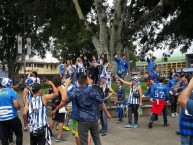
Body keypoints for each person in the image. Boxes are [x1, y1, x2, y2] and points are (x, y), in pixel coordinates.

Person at [52, 75, 111, 145]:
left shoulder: (76, 91)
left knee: (83, 141)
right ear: (86, 81)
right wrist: (107, 113)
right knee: (97, 140)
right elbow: (101, 103)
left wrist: (56, 109)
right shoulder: (93, 90)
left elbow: (64, 100)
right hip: (93, 119)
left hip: (82, 120)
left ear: (78, 82)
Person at [0, 78, 23, 145]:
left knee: (4, 137)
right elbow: (16, 105)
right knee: (19, 134)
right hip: (12, 117)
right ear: (9, 84)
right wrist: (19, 107)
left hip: (1, 119)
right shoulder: (11, 91)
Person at [49, 76, 68, 142]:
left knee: (53, 119)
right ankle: (59, 136)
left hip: (54, 105)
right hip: (59, 106)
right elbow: (64, 97)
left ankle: (49, 134)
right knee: (61, 121)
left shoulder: (52, 88)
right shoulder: (60, 87)